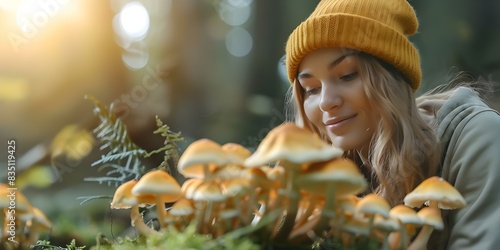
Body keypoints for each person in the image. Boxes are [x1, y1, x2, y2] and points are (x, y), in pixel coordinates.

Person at [282, 0, 500, 249]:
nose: (325, 103)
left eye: (347, 75)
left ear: (392, 81)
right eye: (311, 89)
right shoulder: (327, 178)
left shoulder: (477, 137)